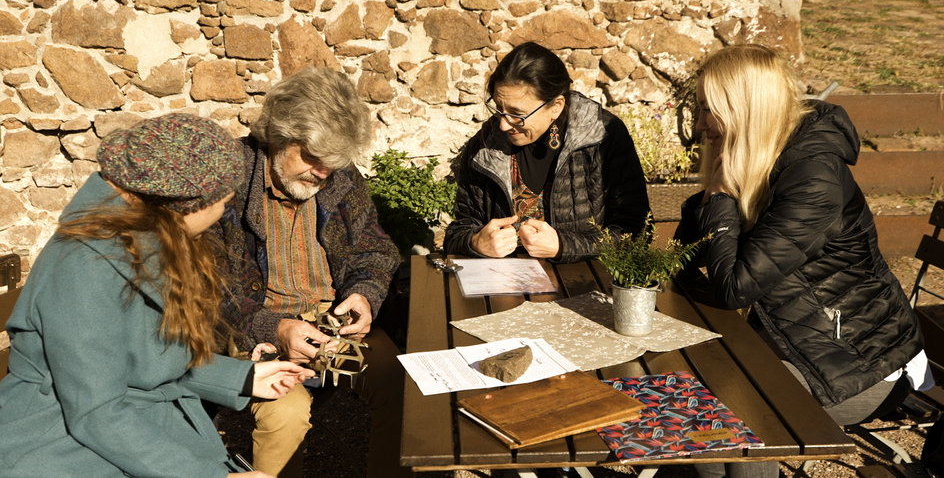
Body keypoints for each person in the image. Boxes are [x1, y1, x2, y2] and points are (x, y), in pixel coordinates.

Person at [0, 114, 313, 477]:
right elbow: (96, 411)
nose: (225, 210)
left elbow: (142, 361)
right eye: (223, 201)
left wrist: (242, 378)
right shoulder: (84, 265)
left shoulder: (153, 243)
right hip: (57, 445)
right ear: (187, 204)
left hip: (120, 429)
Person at [675, 44, 930, 478]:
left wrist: (719, 197)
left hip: (858, 362)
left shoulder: (814, 178)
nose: (700, 126)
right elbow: (684, 251)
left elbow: (736, 285)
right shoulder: (760, 158)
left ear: (745, 110)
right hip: (792, 339)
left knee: (742, 415)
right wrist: (711, 196)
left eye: (708, 111)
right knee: (699, 407)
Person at [210, 67, 405, 477]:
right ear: (280, 135)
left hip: (332, 324)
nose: (323, 174)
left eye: (333, 164)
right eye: (315, 160)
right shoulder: (226, 178)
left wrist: (364, 293)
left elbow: (374, 247)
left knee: (403, 385)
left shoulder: (338, 176)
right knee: (287, 414)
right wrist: (272, 328)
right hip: (255, 331)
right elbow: (204, 290)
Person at [444, 41, 650, 262]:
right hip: (503, 287)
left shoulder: (603, 138)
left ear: (556, 107)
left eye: (517, 114)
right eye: (498, 108)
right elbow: (458, 231)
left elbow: (636, 233)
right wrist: (475, 242)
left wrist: (564, 246)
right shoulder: (485, 146)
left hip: (587, 285)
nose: (503, 125)